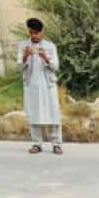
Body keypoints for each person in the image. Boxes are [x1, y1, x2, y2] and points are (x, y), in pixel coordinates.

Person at [19, 18, 62, 155]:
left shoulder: (50, 46)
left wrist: (46, 58)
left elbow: (56, 66)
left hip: (48, 84)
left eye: (37, 33)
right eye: (31, 33)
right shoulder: (24, 45)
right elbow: (19, 66)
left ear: (42, 32)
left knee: (53, 113)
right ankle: (37, 143)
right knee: (34, 113)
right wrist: (25, 56)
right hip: (31, 84)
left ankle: (56, 144)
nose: (34, 36)